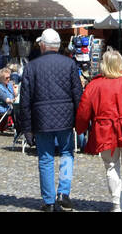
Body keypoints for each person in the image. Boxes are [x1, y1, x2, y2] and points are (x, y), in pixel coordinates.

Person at [75, 50, 122, 212]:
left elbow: (83, 110)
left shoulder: (94, 85)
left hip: (104, 131)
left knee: (111, 167)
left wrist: (80, 128)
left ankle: (117, 203)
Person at [17, 29, 83, 211]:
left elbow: (25, 101)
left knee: (45, 159)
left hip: (41, 119)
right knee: (67, 154)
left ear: (43, 45)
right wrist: (81, 121)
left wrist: (27, 128)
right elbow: (78, 95)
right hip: (65, 118)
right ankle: (64, 192)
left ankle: (49, 201)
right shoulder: (69, 64)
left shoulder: (31, 66)